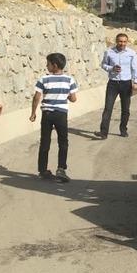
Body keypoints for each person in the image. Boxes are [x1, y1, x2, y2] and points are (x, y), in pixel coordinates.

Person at [30, 53, 78, 182]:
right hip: (61, 114)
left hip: (47, 114)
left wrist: (33, 112)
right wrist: (64, 95)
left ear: (54, 65)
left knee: (45, 142)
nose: (47, 66)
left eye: (48, 64)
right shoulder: (69, 80)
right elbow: (73, 99)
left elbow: (36, 97)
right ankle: (61, 169)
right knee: (63, 142)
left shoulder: (43, 79)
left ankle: (42, 170)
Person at [97, 33, 137, 139]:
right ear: (116, 41)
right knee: (108, 108)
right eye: (120, 41)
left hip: (126, 84)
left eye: (124, 41)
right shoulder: (109, 52)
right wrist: (111, 68)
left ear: (127, 42)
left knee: (125, 109)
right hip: (113, 84)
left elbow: (135, 68)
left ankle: (123, 130)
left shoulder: (131, 53)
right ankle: (103, 132)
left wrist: (136, 82)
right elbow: (103, 64)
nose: (122, 44)